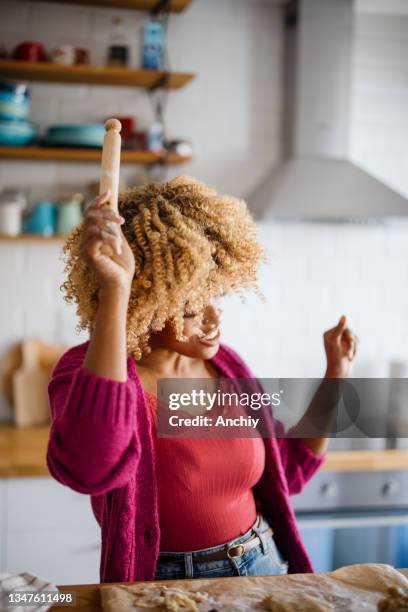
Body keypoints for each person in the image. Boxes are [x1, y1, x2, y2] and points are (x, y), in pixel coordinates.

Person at [47, 176, 358, 583]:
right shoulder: (86, 371)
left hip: (263, 566)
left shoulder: (227, 366)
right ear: (148, 301)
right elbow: (89, 468)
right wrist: (115, 289)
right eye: (192, 307)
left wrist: (336, 375)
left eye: (217, 296)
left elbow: (289, 469)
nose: (214, 319)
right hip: (166, 584)